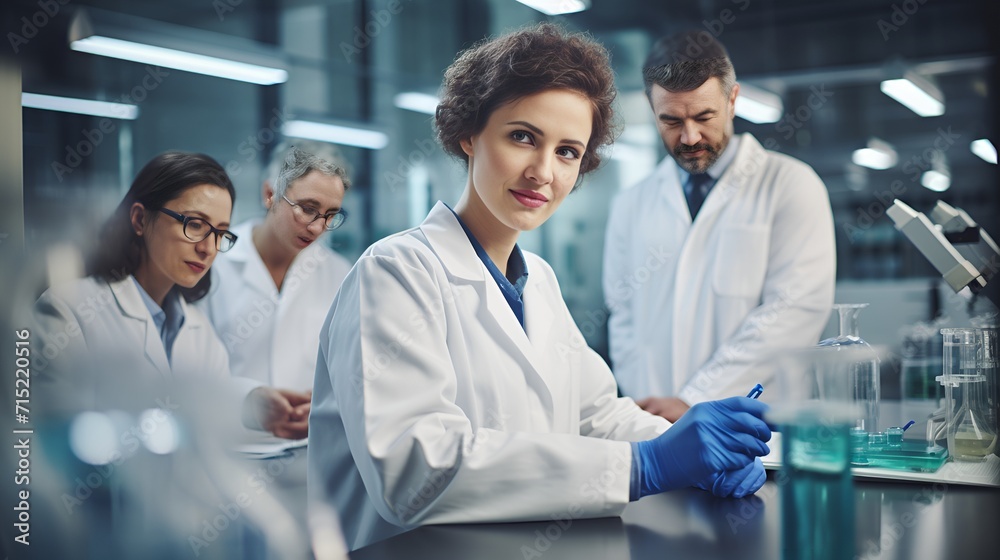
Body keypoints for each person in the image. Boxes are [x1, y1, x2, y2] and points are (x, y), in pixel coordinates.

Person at [309, 23, 772, 551]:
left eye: (568, 151)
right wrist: (646, 466)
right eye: (523, 137)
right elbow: (414, 472)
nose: (543, 172)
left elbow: (596, 415)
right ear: (469, 133)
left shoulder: (538, 281)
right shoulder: (393, 274)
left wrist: (691, 454)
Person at [603, 31, 836, 422]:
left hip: (753, 427)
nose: (689, 136)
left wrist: (695, 400)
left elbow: (793, 311)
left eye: (703, 117)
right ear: (651, 106)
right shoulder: (630, 203)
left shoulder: (791, 185)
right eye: (671, 120)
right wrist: (650, 409)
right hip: (656, 427)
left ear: (732, 100)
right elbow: (622, 317)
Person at [33, 151, 293, 430]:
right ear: (140, 220)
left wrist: (256, 405)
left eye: (220, 233)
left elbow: (213, 410)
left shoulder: (198, 330)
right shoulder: (68, 310)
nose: (208, 248)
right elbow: (45, 436)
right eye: (195, 224)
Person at [201, 142, 353, 440]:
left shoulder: (339, 273)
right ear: (269, 194)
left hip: (308, 448)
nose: (317, 228)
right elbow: (189, 368)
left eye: (330, 215)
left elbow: (350, 369)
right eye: (308, 209)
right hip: (229, 443)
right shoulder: (213, 263)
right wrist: (247, 399)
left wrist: (328, 404)